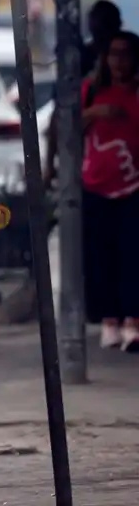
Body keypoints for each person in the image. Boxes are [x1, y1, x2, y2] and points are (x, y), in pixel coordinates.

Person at [80, 30, 139, 352]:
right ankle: (109, 321)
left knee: (132, 254)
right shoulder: (91, 91)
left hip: (133, 185)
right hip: (96, 184)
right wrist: (94, 114)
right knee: (101, 257)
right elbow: (65, 128)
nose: (119, 61)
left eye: (126, 54)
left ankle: (133, 320)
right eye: (114, 54)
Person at [44, 0, 122, 184]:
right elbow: (59, 113)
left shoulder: (129, 54)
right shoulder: (82, 59)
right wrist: (49, 164)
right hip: (86, 143)